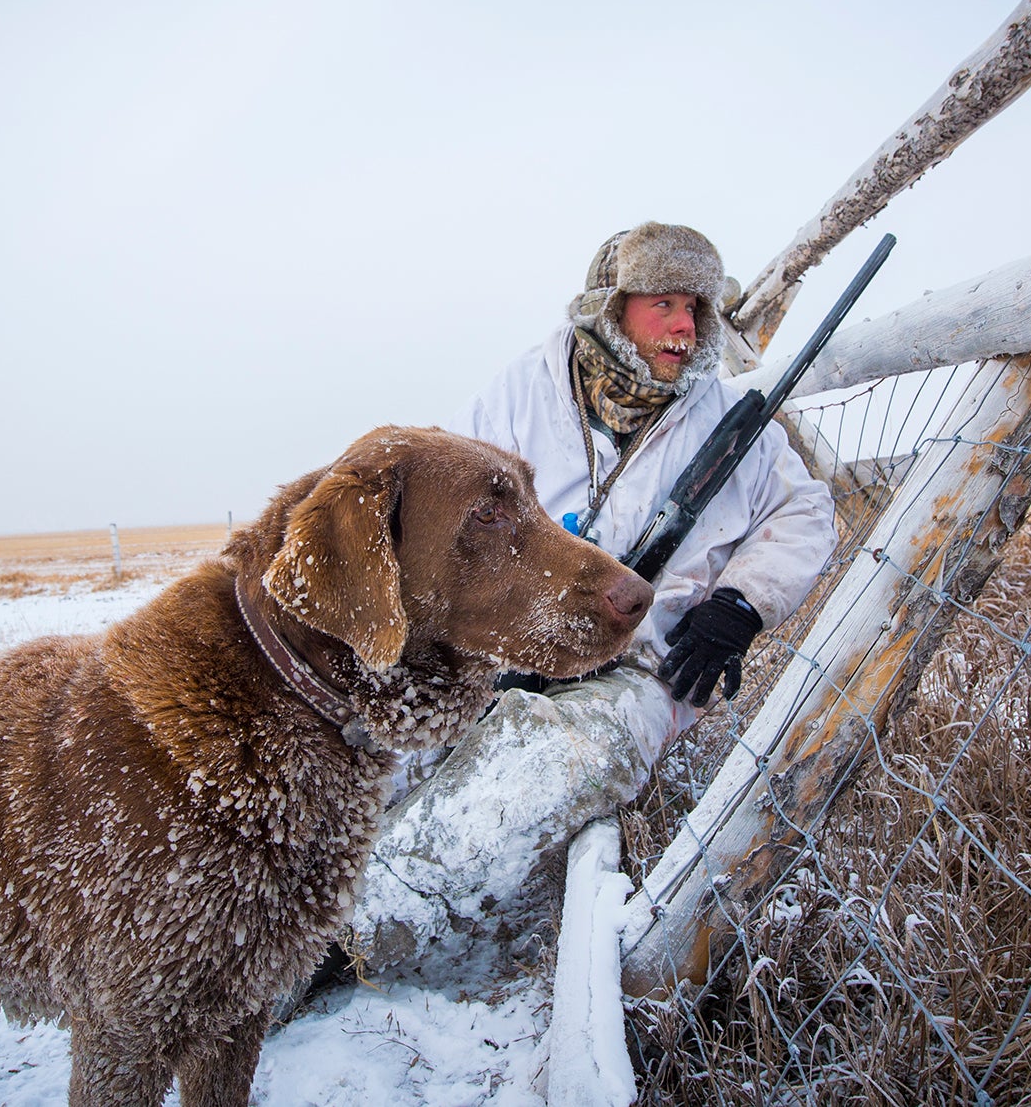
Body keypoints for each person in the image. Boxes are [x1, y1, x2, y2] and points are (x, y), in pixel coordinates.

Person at [344, 222, 838, 984]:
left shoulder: (729, 422)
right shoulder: (520, 393)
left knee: (567, 756)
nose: (686, 327)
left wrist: (740, 606)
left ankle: (355, 938)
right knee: (392, 745)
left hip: (639, 665)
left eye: (697, 309)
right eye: (665, 303)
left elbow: (806, 514)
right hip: (507, 643)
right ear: (611, 308)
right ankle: (306, 889)